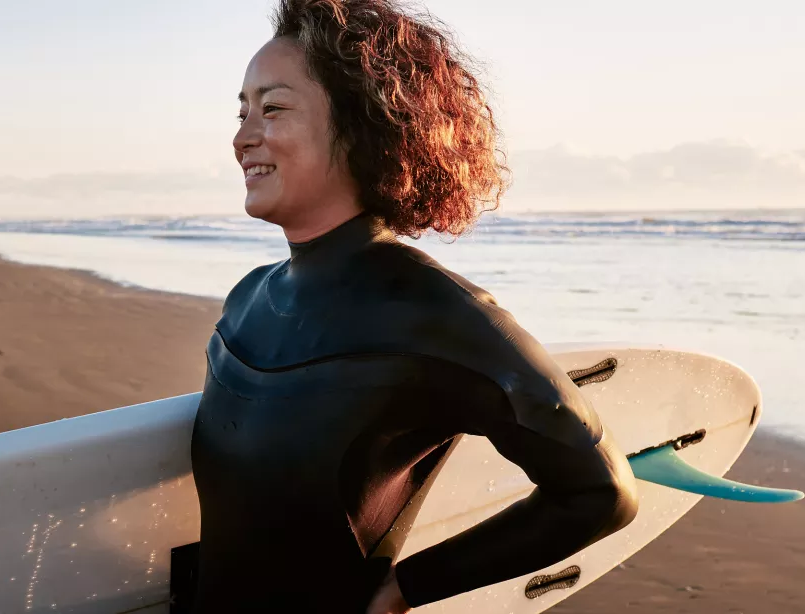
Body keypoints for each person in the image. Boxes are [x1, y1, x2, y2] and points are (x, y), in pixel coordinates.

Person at [188, 1, 639, 612]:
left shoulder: (439, 316)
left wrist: (408, 588)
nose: (243, 138)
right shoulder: (248, 299)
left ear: (363, 122)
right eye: (242, 113)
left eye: (273, 109)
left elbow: (599, 492)